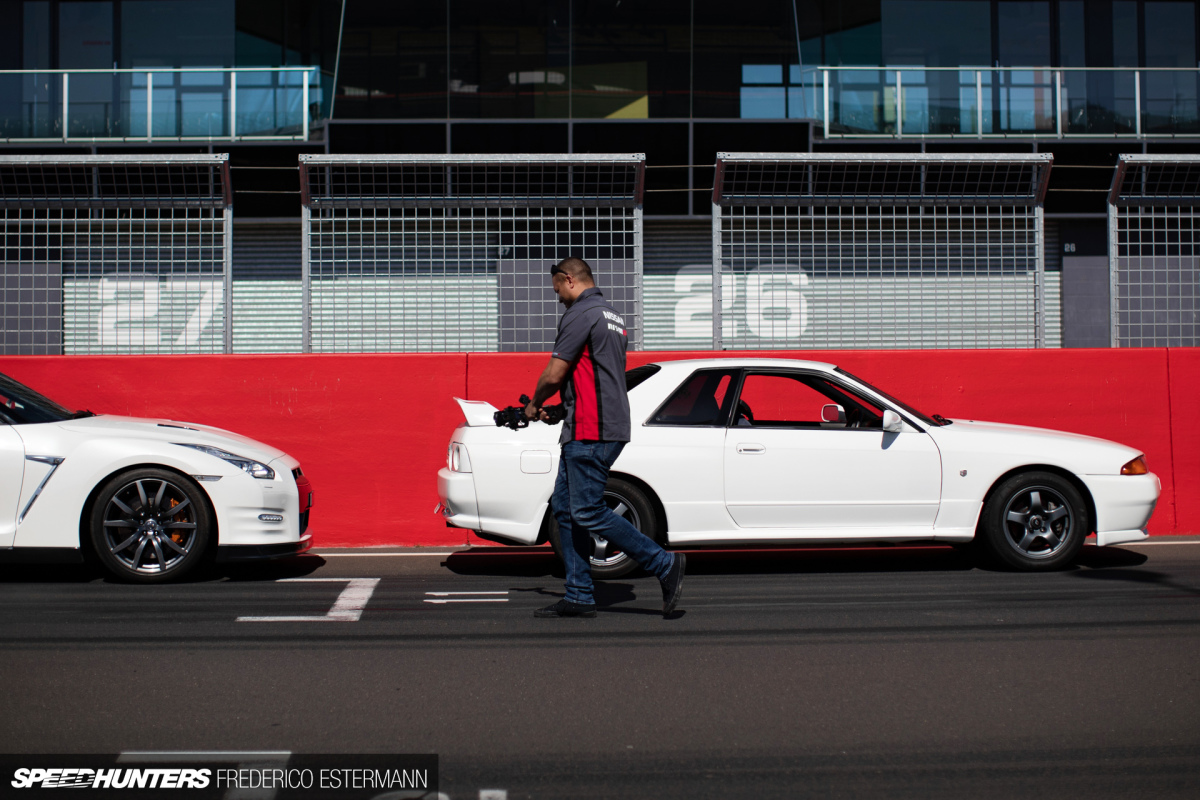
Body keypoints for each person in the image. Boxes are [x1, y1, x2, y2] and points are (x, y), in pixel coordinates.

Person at [524, 256, 685, 619]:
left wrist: (535, 404)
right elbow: (596, 377)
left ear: (569, 280)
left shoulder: (580, 313)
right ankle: (580, 594)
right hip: (594, 423)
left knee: (585, 509)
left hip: (592, 430)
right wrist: (564, 411)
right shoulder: (612, 316)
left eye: (558, 292)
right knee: (566, 510)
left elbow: (555, 373)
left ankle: (664, 564)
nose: (559, 299)